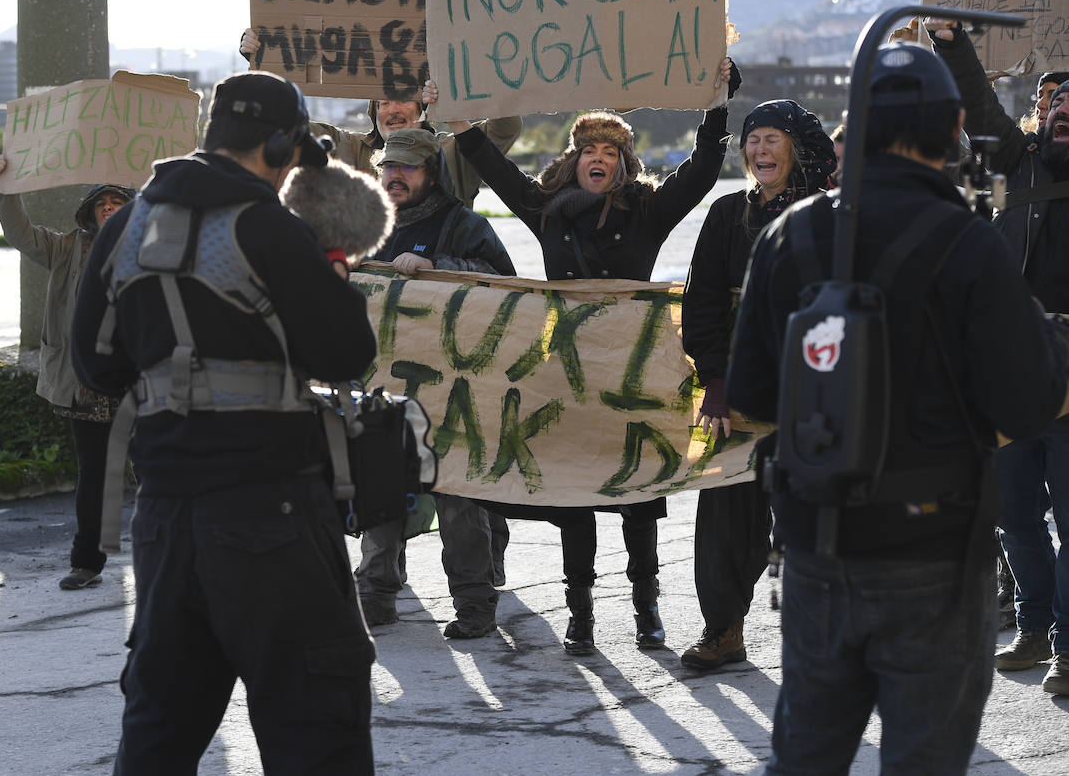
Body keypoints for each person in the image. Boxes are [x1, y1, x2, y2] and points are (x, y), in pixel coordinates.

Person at [727, 41, 1069, 771]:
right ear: (951, 130)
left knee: (807, 754)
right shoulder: (969, 243)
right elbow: (1030, 403)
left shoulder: (788, 236)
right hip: (935, 553)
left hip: (818, 540)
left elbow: (753, 393)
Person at [70, 71, 378, 773]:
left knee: (160, 728)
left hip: (165, 517)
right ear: (278, 143)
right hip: (273, 513)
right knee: (314, 727)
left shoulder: (125, 225)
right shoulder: (269, 226)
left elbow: (95, 364)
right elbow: (348, 353)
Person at [438, 56, 740, 655]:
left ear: (624, 165)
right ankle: (581, 616)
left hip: (634, 376)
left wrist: (716, 101)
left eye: (610, 151)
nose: (597, 158)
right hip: (567, 376)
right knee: (574, 496)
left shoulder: (648, 212)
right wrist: (456, 115)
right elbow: (493, 167)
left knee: (637, 496)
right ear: (573, 161)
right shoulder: (546, 210)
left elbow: (705, 167)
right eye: (587, 150)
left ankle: (646, 609)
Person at [930, 19, 1069, 696]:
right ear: (1036, 115)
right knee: (1015, 513)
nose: (1063, 107)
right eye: (1051, 101)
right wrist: (953, 43)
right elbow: (980, 109)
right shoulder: (1017, 160)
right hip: (1015, 364)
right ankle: (1036, 626)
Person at [680, 100, 835, 669]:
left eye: (772, 139)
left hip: (811, 394)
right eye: (753, 141)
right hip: (737, 397)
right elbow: (701, 308)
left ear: (796, 148)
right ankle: (723, 630)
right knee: (724, 515)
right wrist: (715, 383)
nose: (759, 150)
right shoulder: (726, 214)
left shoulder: (830, 214)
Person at [355, 126, 515, 639]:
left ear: (432, 173)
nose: (395, 177)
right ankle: (375, 594)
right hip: (382, 386)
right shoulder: (363, 224)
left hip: (453, 390)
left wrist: (439, 267)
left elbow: (506, 288)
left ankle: (474, 604)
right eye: (388, 167)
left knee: (458, 495)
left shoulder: (463, 224)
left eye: (407, 168)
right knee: (378, 486)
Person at [0, 161, 132, 590]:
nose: (109, 208)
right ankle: (87, 562)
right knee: (94, 476)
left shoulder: (152, 246)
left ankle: (167, 557)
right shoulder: (66, 248)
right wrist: (4, 187)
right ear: (89, 212)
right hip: (85, 383)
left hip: (141, 384)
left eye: (119, 202)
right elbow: (19, 233)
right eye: (102, 203)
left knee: (158, 474)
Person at [239, 27, 521, 209]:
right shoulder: (346, 148)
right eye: (384, 103)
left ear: (423, 106)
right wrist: (263, 63)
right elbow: (282, 125)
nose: (392, 110)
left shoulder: (455, 151)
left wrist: (483, 61)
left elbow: (506, 126)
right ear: (373, 113)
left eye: (403, 100)